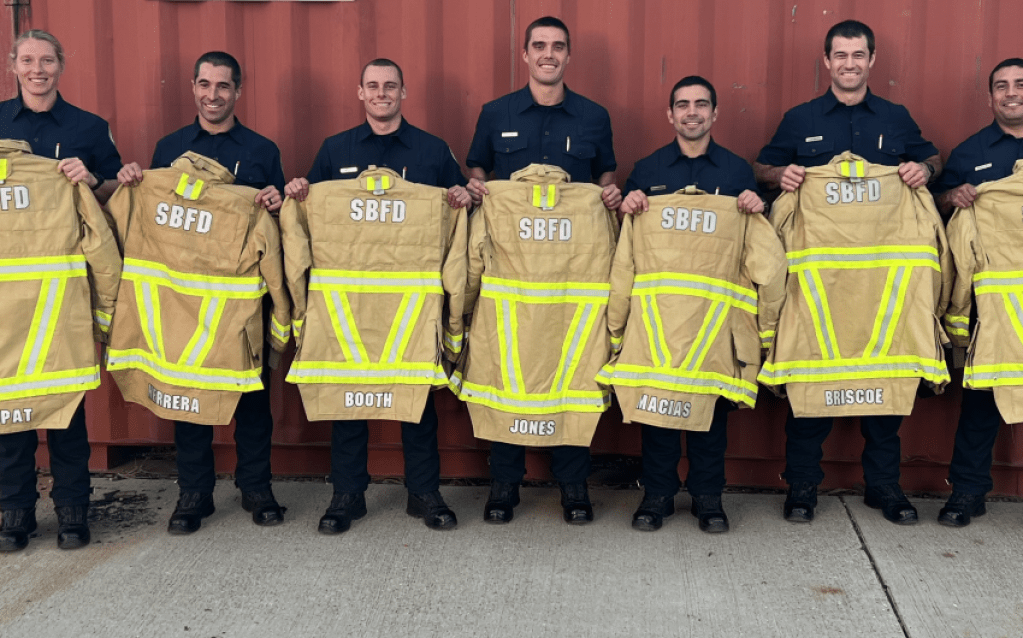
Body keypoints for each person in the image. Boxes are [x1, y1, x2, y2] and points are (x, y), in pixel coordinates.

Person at [752, 20, 942, 525]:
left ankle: (884, 488)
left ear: (872, 60)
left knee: (884, 385)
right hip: (819, 287)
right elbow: (761, 169)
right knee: (811, 385)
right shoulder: (800, 119)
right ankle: (802, 489)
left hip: (881, 288)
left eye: (858, 55)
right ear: (827, 60)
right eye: (840, 55)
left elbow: (931, 160)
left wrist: (923, 171)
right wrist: (781, 174)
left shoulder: (897, 118)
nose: (850, 63)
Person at [284, 58, 470, 535]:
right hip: (350, 307)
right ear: (360, 93)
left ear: (403, 93)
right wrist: (302, 190)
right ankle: (347, 496)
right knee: (349, 404)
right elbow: (312, 213)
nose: (382, 92)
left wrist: (463, 198)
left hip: (411, 308)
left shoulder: (432, 151)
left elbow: (459, 212)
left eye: (390, 86)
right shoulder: (335, 149)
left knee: (417, 402)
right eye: (373, 85)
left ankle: (423, 493)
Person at [117, 51, 287, 534]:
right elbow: (151, 219)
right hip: (182, 303)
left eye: (223, 86)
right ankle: (194, 493)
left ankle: (256, 487)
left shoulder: (261, 150)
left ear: (238, 91)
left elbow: (276, 226)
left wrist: (273, 203)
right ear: (193, 87)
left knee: (250, 399)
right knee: (186, 397)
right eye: (205, 85)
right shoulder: (169, 147)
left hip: (239, 303)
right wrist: (133, 181)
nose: (213, 95)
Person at [464, 16, 622, 525]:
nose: (548, 54)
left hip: (571, 279)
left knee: (572, 372)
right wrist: (477, 192)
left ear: (568, 56)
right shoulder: (496, 113)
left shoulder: (595, 117)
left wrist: (611, 195)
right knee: (506, 372)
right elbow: (478, 173)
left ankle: (573, 486)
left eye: (557, 46)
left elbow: (606, 179)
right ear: (526, 54)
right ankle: (504, 485)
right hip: (510, 279)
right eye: (539, 46)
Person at [619, 76, 763, 533]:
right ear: (671, 115)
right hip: (660, 320)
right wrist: (631, 202)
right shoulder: (646, 169)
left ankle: (708, 498)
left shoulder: (738, 171)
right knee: (658, 411)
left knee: (710, 417)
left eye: (702, 104)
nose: (692, 112)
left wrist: (757, 204)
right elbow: (630, 239)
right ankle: (657, 496)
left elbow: (754, 241)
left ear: (715, 114)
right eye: (683, 105)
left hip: (714, 319)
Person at [0, 29, 123, 552]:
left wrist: (91, 177)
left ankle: (73, 510)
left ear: (61, 65)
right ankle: (14, 513)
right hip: (5, 300)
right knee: (8, 410)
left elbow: (117, 189)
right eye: (27, 59)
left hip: (61, 299)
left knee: (67, 409)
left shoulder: (88, 127)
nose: (37, 69)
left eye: (46, 60)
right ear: (13, 65)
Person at [930, 58, 1023, 527]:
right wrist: (955, 198)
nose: (1012, 92)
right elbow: (937, 205)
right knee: (981, 401)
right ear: (989, 98)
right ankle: (967, 492)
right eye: (1002, 86)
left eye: (1020, 84)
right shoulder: (969, 153)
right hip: (997, 309)